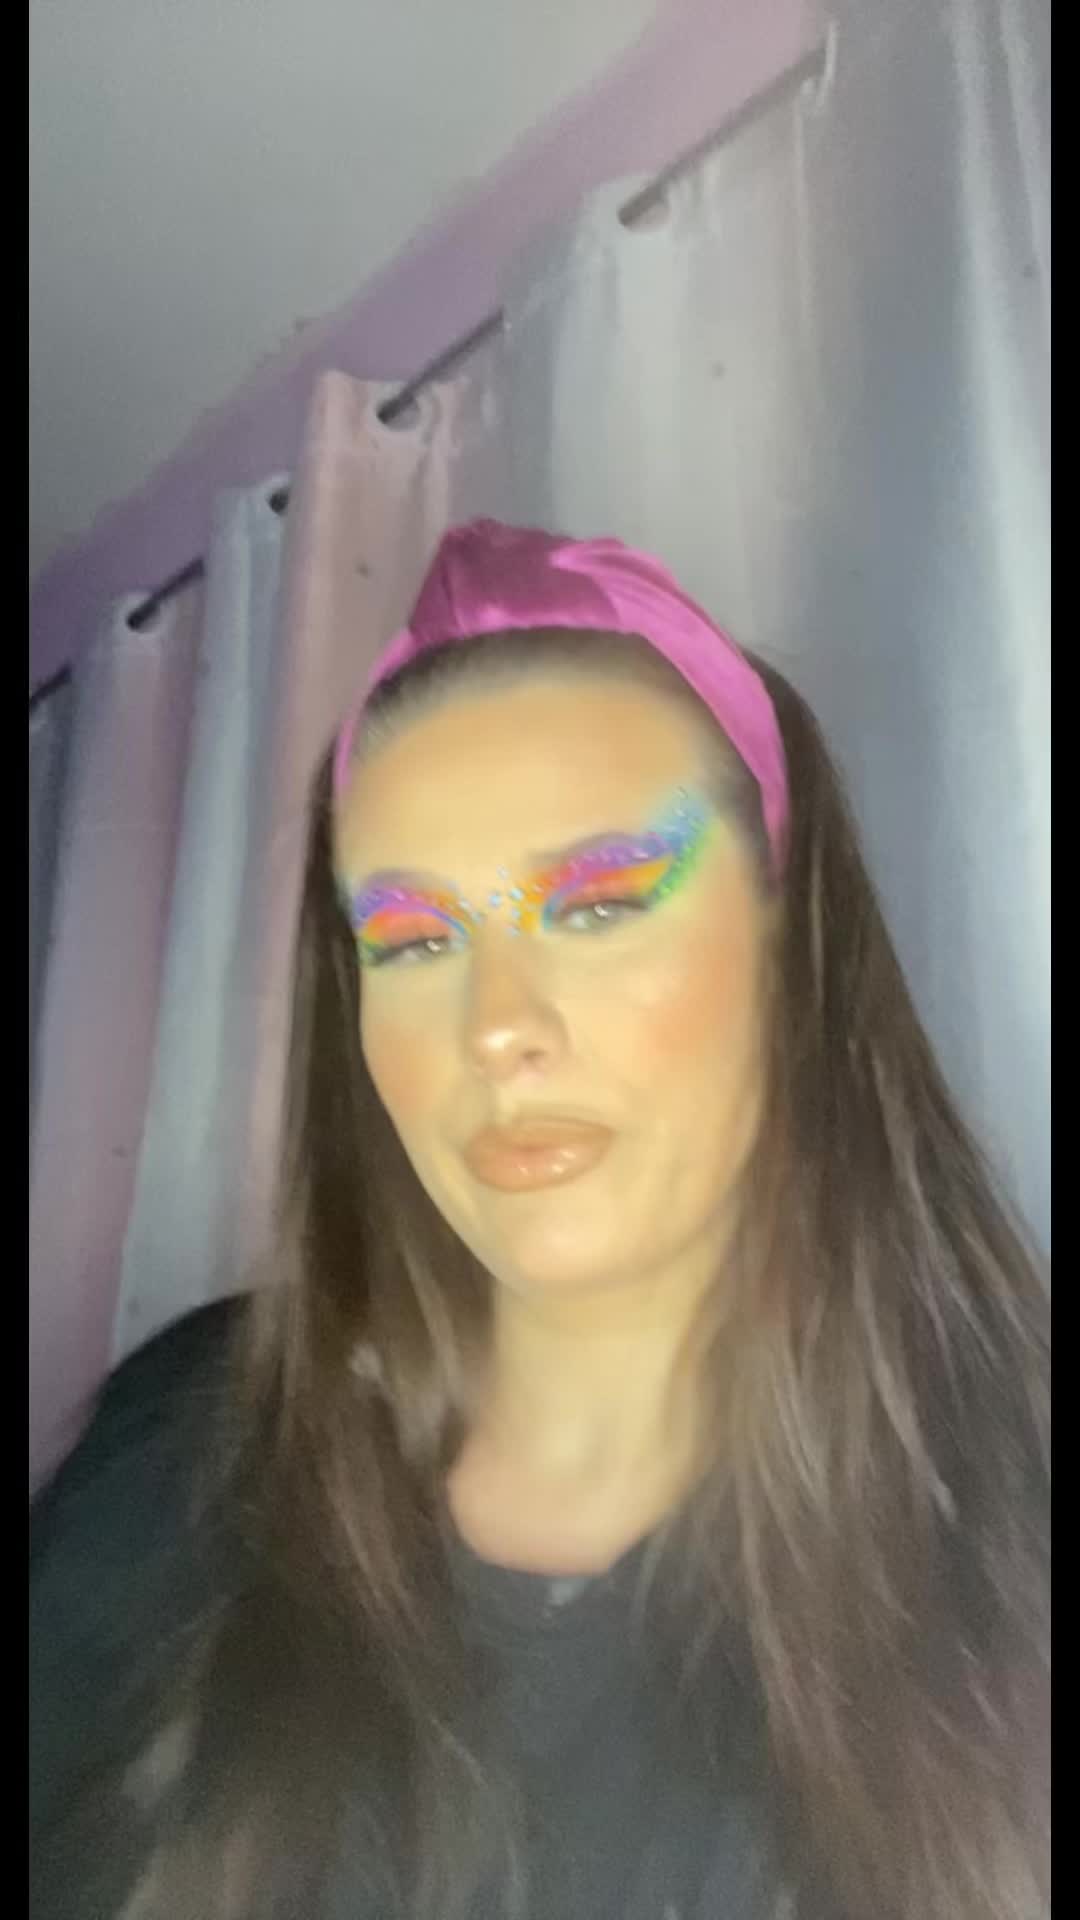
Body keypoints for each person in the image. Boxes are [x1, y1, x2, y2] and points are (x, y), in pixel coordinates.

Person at [30, 521, 1050, 1920]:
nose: (495, 1027)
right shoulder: (187, 1455)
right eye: (414, 938)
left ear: (791, 947)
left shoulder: (1017, 1525)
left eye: (599, 904)